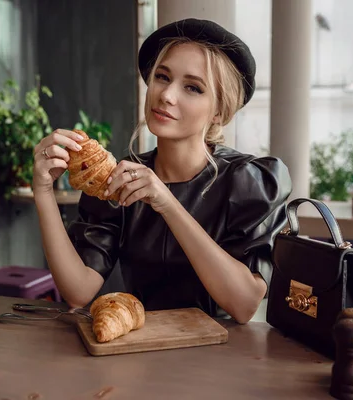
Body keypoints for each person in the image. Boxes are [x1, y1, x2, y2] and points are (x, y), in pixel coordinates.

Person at [31, 18, 292, 323]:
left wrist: (167, 202)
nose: (167, 95)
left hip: (225, 358)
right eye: (163, 77)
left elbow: (244, 304)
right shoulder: (120, 178)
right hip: (143, 350)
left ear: (220, 111)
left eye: (193, 87)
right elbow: (78, 292)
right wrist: (43, 191)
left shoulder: (248, 181)